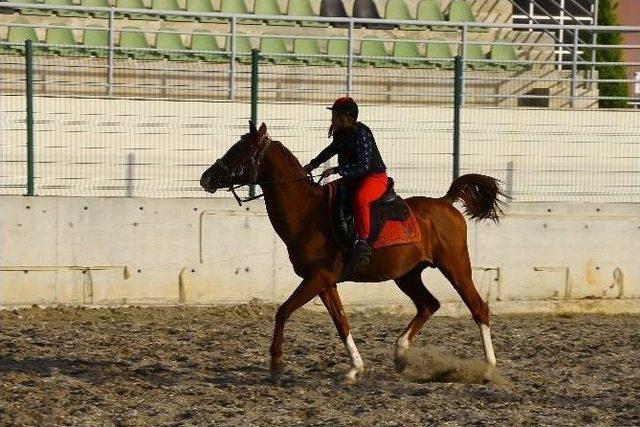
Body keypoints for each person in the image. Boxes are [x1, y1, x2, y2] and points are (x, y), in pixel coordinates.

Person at [303, 97, 388, 266]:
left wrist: (336, 170)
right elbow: (332, 150)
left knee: (360, 199)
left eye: (335, 116)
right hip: (354, 177)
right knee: (328, 193)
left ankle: (362, 241)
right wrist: (313, 164)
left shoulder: (361, 134)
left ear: (346, 118)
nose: (332, 119)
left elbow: (364, 166)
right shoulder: (341, 133)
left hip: (374, 178)